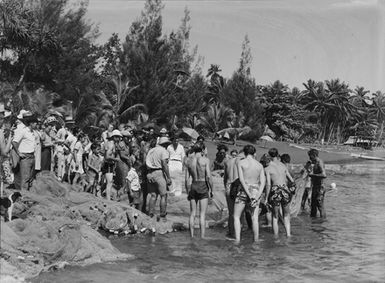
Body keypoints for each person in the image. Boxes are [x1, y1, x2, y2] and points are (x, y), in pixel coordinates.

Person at [233, 145, 265, 243]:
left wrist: (248, 193)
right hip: (255, 190)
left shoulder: (241, 162)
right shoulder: (259, 165)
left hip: (244, 190)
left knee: (236, 216)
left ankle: (237, 239)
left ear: (244, 153)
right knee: (255, 218)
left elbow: (241, 180)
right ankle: (256, 239)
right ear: (254, 153)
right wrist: (257, 195)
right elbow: (263, 182)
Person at [264, 148, 294, 238]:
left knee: (275, 216)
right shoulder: (283, 165)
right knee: (286, 215)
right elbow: (291, 180)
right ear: (278, 155)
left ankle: (276, 238)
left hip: (275, 190)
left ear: (269, 156)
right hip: (285, 190)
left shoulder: (268, 168)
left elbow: (268, 184)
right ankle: (288, 235)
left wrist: (266, 198)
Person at [185, 143, 213, 238]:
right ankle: (202, 237)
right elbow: (208, 176)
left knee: (192, 213)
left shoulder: (189, 161)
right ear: (202, 150)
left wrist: (187, 190)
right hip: (202, 185)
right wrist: (211, 190)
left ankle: (191, 236)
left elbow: (186, 179)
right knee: (202, 214)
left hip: (193, 184)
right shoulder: (205, 160)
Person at [146, 136, 172, 219]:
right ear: (165, 144)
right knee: (163, 195)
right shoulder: (163, 151)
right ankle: (162, 213)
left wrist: (148, 174)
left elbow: (146, 162)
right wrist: (168, 177)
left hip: (150, 172)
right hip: (159, 172)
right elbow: (164, 164)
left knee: (153, 195)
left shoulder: (151, 150)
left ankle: (150, 213)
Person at [12, 113, 38, 191]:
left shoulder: (33, 132)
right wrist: (19, 153)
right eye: (35, 123)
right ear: (31, 123)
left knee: (30, 178)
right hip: (25, 157)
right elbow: (14, 142)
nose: (36, 124)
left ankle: (27, 195)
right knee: (25, 178)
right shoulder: (23, 131)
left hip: (32, 156)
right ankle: (24, 197)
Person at [223, 149, 238, 238]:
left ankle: (231, 232)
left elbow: (225, 178)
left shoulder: (228, 163)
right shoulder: (240, 162)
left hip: (229, 186)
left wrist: (225, 186)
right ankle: (237, 233)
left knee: (231, 213)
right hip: (236, 186)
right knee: (238, 213)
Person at [308, 149, 327, 218]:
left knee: (320, 205)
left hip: (320, 187)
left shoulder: (319, 163)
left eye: (310, 156)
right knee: (313, 205)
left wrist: (313, 175)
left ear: (314, 155)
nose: (309, 158)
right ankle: (313, 223)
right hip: (315, 187)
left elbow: (324, 175)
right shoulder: (314, 163)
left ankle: (322, 221)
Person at [104, 129, 122, 200]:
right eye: (117, 137)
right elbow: (107, 156)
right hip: (108, 165)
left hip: (110, 165)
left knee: (109, 181)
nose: (119, 139)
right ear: (114, 137)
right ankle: (108, 199)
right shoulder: (111, 145)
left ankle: (103, 195)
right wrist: (115, 159)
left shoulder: (112, 144)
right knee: (109, 182)